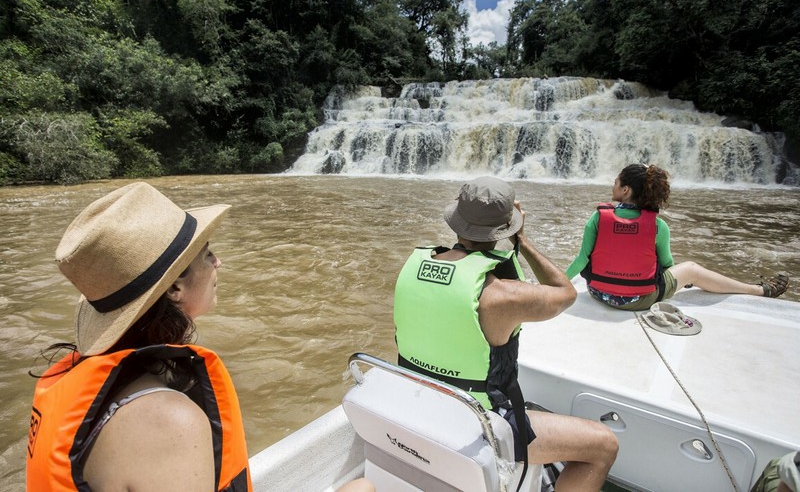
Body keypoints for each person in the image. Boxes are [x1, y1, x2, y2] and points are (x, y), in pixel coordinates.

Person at [25, 182, 376, 492]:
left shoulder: (101, 379)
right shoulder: (170, 421)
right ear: (175, 288)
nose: (218, 261)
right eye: (207, 252)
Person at [394, 176, 619, 491]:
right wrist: (522, 241)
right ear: (508, 227)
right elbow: (564, 292)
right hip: (476, 424)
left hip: (416, 406)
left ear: (457, 222)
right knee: (603, 445)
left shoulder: (411, 268)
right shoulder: (505, 297)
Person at [566, 163, 790, 311]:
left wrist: (553, 284)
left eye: (616, 182)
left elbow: (581, 260)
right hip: (641, 301)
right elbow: (667, 266)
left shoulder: (598, 218)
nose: (612, 185)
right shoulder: (658, 226)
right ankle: (759, 290)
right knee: (690, 268)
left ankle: (758, 289)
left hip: (600, 294)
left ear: (625, 190)